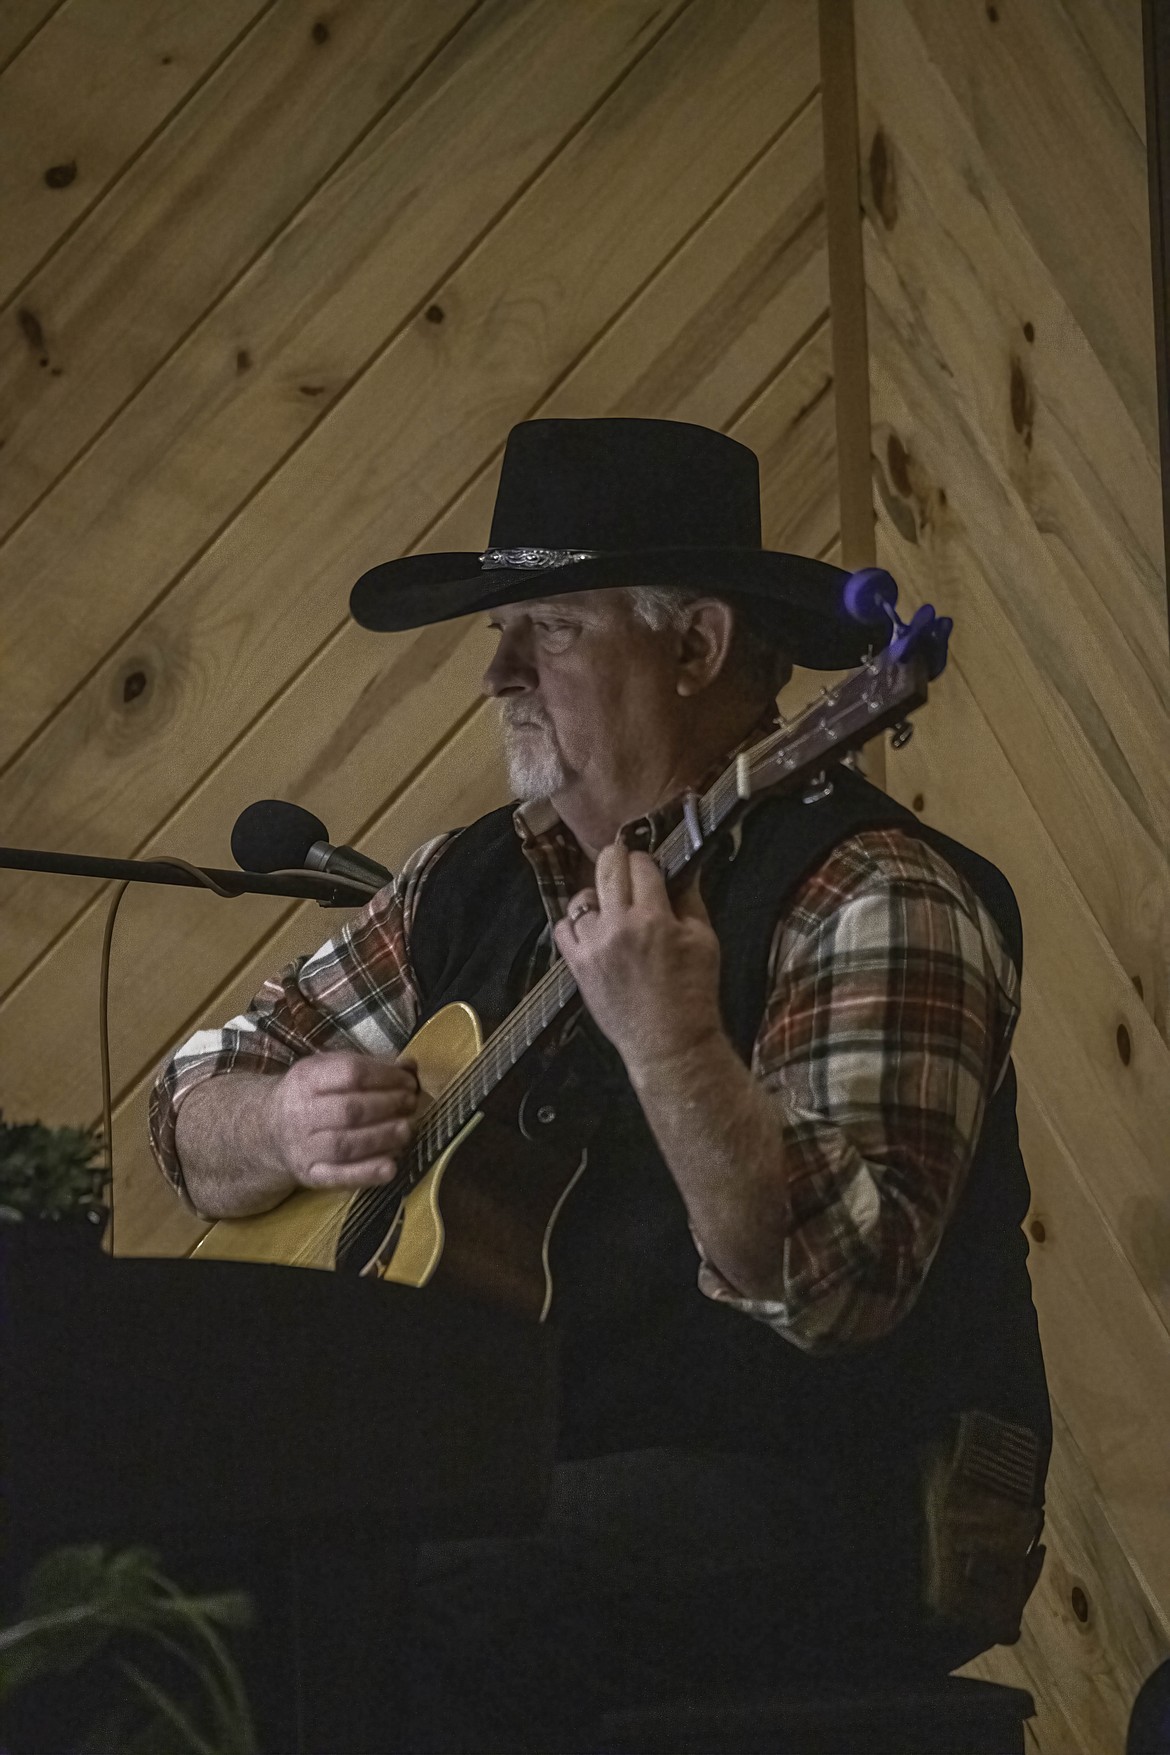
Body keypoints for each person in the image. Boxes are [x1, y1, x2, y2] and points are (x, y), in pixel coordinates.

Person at [149, 418, 1052, 1753]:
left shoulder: (875, 892)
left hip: (830, 1496)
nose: (495, 672)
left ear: (692, 650)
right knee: (123, 1578)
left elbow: (838, 1295)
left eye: (547, 630)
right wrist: (275, 1120)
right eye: (499, 632)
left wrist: (677, 1048)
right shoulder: (475, 876)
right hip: (512, 1465)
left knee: (391, 1607)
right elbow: (193, 1099)